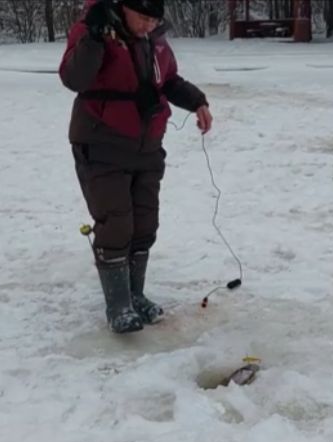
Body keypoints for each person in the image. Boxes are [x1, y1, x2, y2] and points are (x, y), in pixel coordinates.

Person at [59, 0, 213, 334]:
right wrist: (96, 38)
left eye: (153, 19)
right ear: (123, 8)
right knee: (116, 224)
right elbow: (75, 78)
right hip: (101, 144)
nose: (148, 26)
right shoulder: (92, 30)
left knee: (144, 224)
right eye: (142, 18)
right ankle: (118, 305)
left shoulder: (153, 40)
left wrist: (197, 101)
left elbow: (168, 80)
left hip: (146, 147)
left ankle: (135, 294)